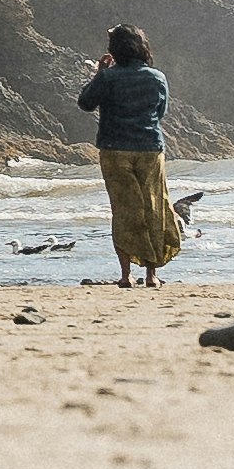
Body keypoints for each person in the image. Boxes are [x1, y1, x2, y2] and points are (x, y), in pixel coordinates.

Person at [79, 27, 179, 284]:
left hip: (115, 149)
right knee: (153, 207)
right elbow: (161, 111)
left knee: (124, 210)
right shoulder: (157, 77)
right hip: (149, 148)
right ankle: (151, 275)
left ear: (115, 49)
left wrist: (99, 74)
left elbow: (86, 103)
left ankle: (126, 275)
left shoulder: (108, 78)